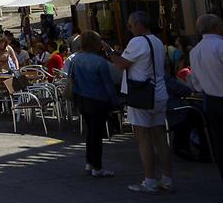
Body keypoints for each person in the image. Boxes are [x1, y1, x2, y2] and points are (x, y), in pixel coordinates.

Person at [107, 11, 171, 194]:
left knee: (143, 139)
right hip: (159, 92)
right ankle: (167, 178)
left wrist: (110, 53)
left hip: (142, 96)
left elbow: (120, 65)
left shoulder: (137, 42)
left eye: (130, 25)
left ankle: (149, 181)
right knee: (160, 137)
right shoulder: (157, 41)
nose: (129, 28)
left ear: (139, 25)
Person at [70, 30, 119, 177]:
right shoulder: (100, 62)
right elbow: (108, 85)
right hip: (98, 100)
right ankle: (97, 166)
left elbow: (73, 79)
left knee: (90, 132)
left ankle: (89, 162)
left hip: (82, 98)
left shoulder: (75, 60)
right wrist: (115, 102)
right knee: (97, 134)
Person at [189, 13, 223, 179]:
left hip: (210, 99)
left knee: (219, 141)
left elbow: (195, 81)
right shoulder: (220, 46)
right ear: (216, 27)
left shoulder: (195, 51)